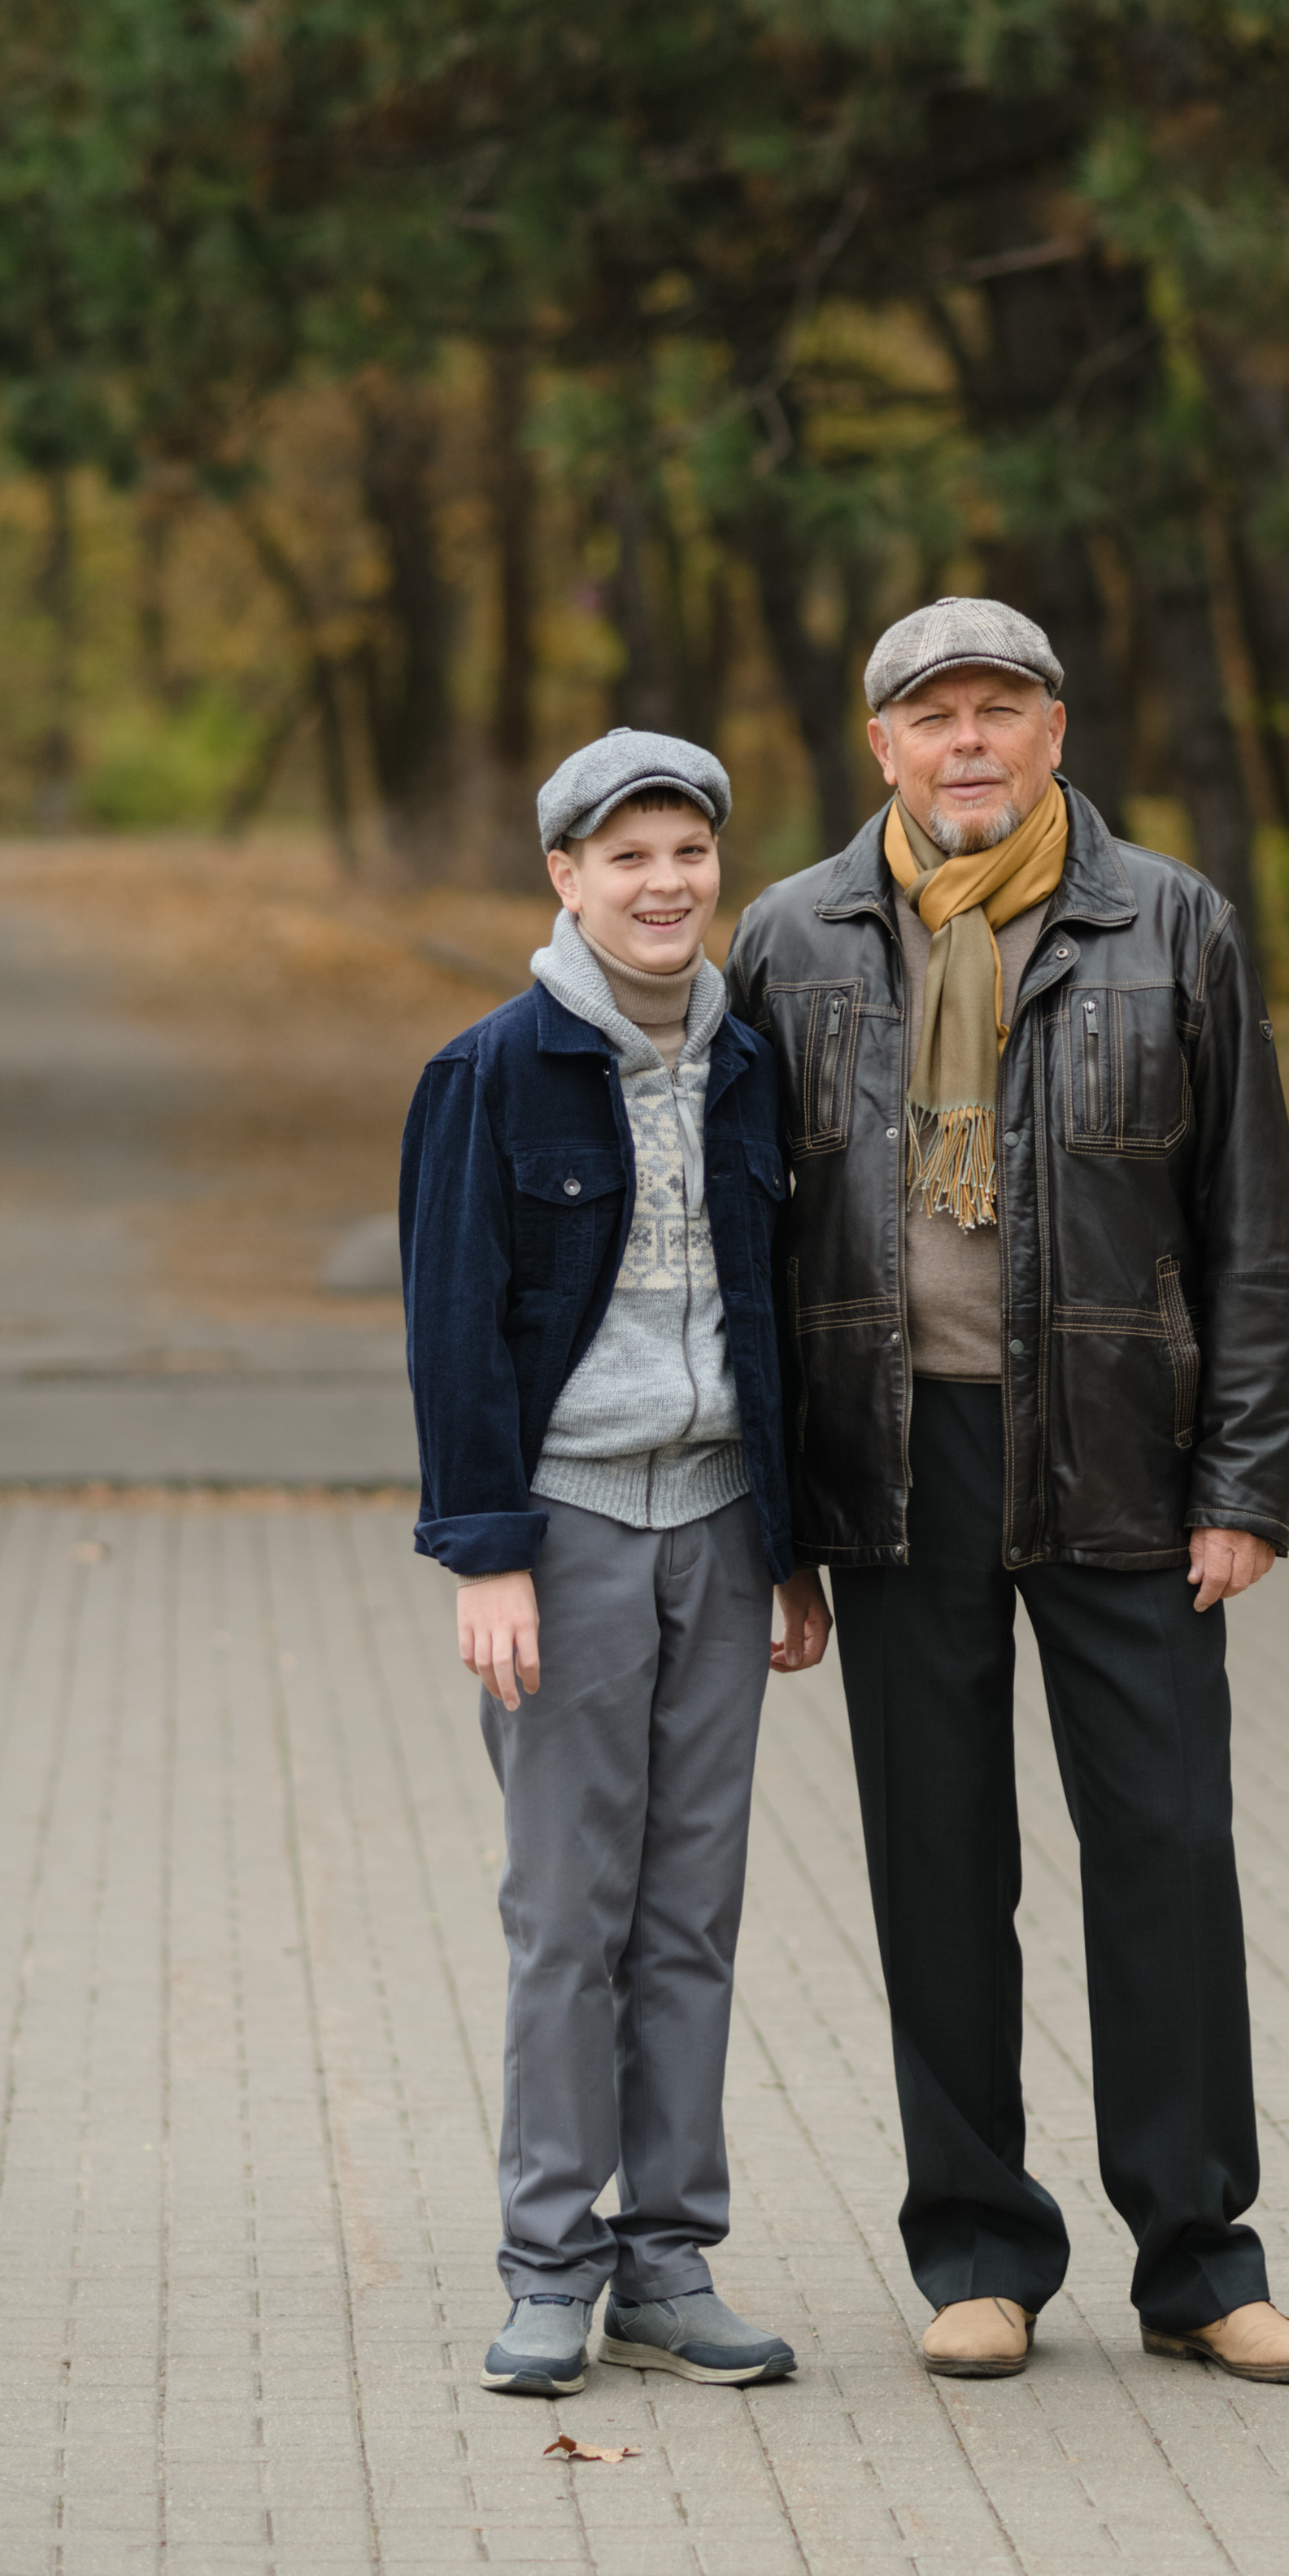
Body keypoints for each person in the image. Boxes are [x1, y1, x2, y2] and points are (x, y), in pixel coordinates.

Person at [727, 597, 1289, 2389]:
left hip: (1126, 1471)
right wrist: (778, 1531)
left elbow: (1253, 1231)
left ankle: (1199, 2262)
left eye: (1001, 709)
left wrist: (1243, 1483)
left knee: (1161, 1853)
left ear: (1056, 730)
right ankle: (978, 2252)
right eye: (936, 717)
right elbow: (749, 1261)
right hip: (891, 1469)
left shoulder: (1170, 926)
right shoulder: (790, 939)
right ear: (883, 751)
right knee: (938, 1871)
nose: (969, 741)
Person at [400, 728, 834, 2399]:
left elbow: (775, 1321)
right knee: (566, 1914)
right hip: (567, 1538)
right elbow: (454, 1336)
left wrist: (790, 1550)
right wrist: (485, 1554)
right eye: (626, 858)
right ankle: (546, 2264)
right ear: (565, 881)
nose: (664, 886)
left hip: (720, 1533)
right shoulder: (491, 1072)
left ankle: (667, 2259)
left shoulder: (747, 1066)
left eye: (688, 854)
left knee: (689, 1915)